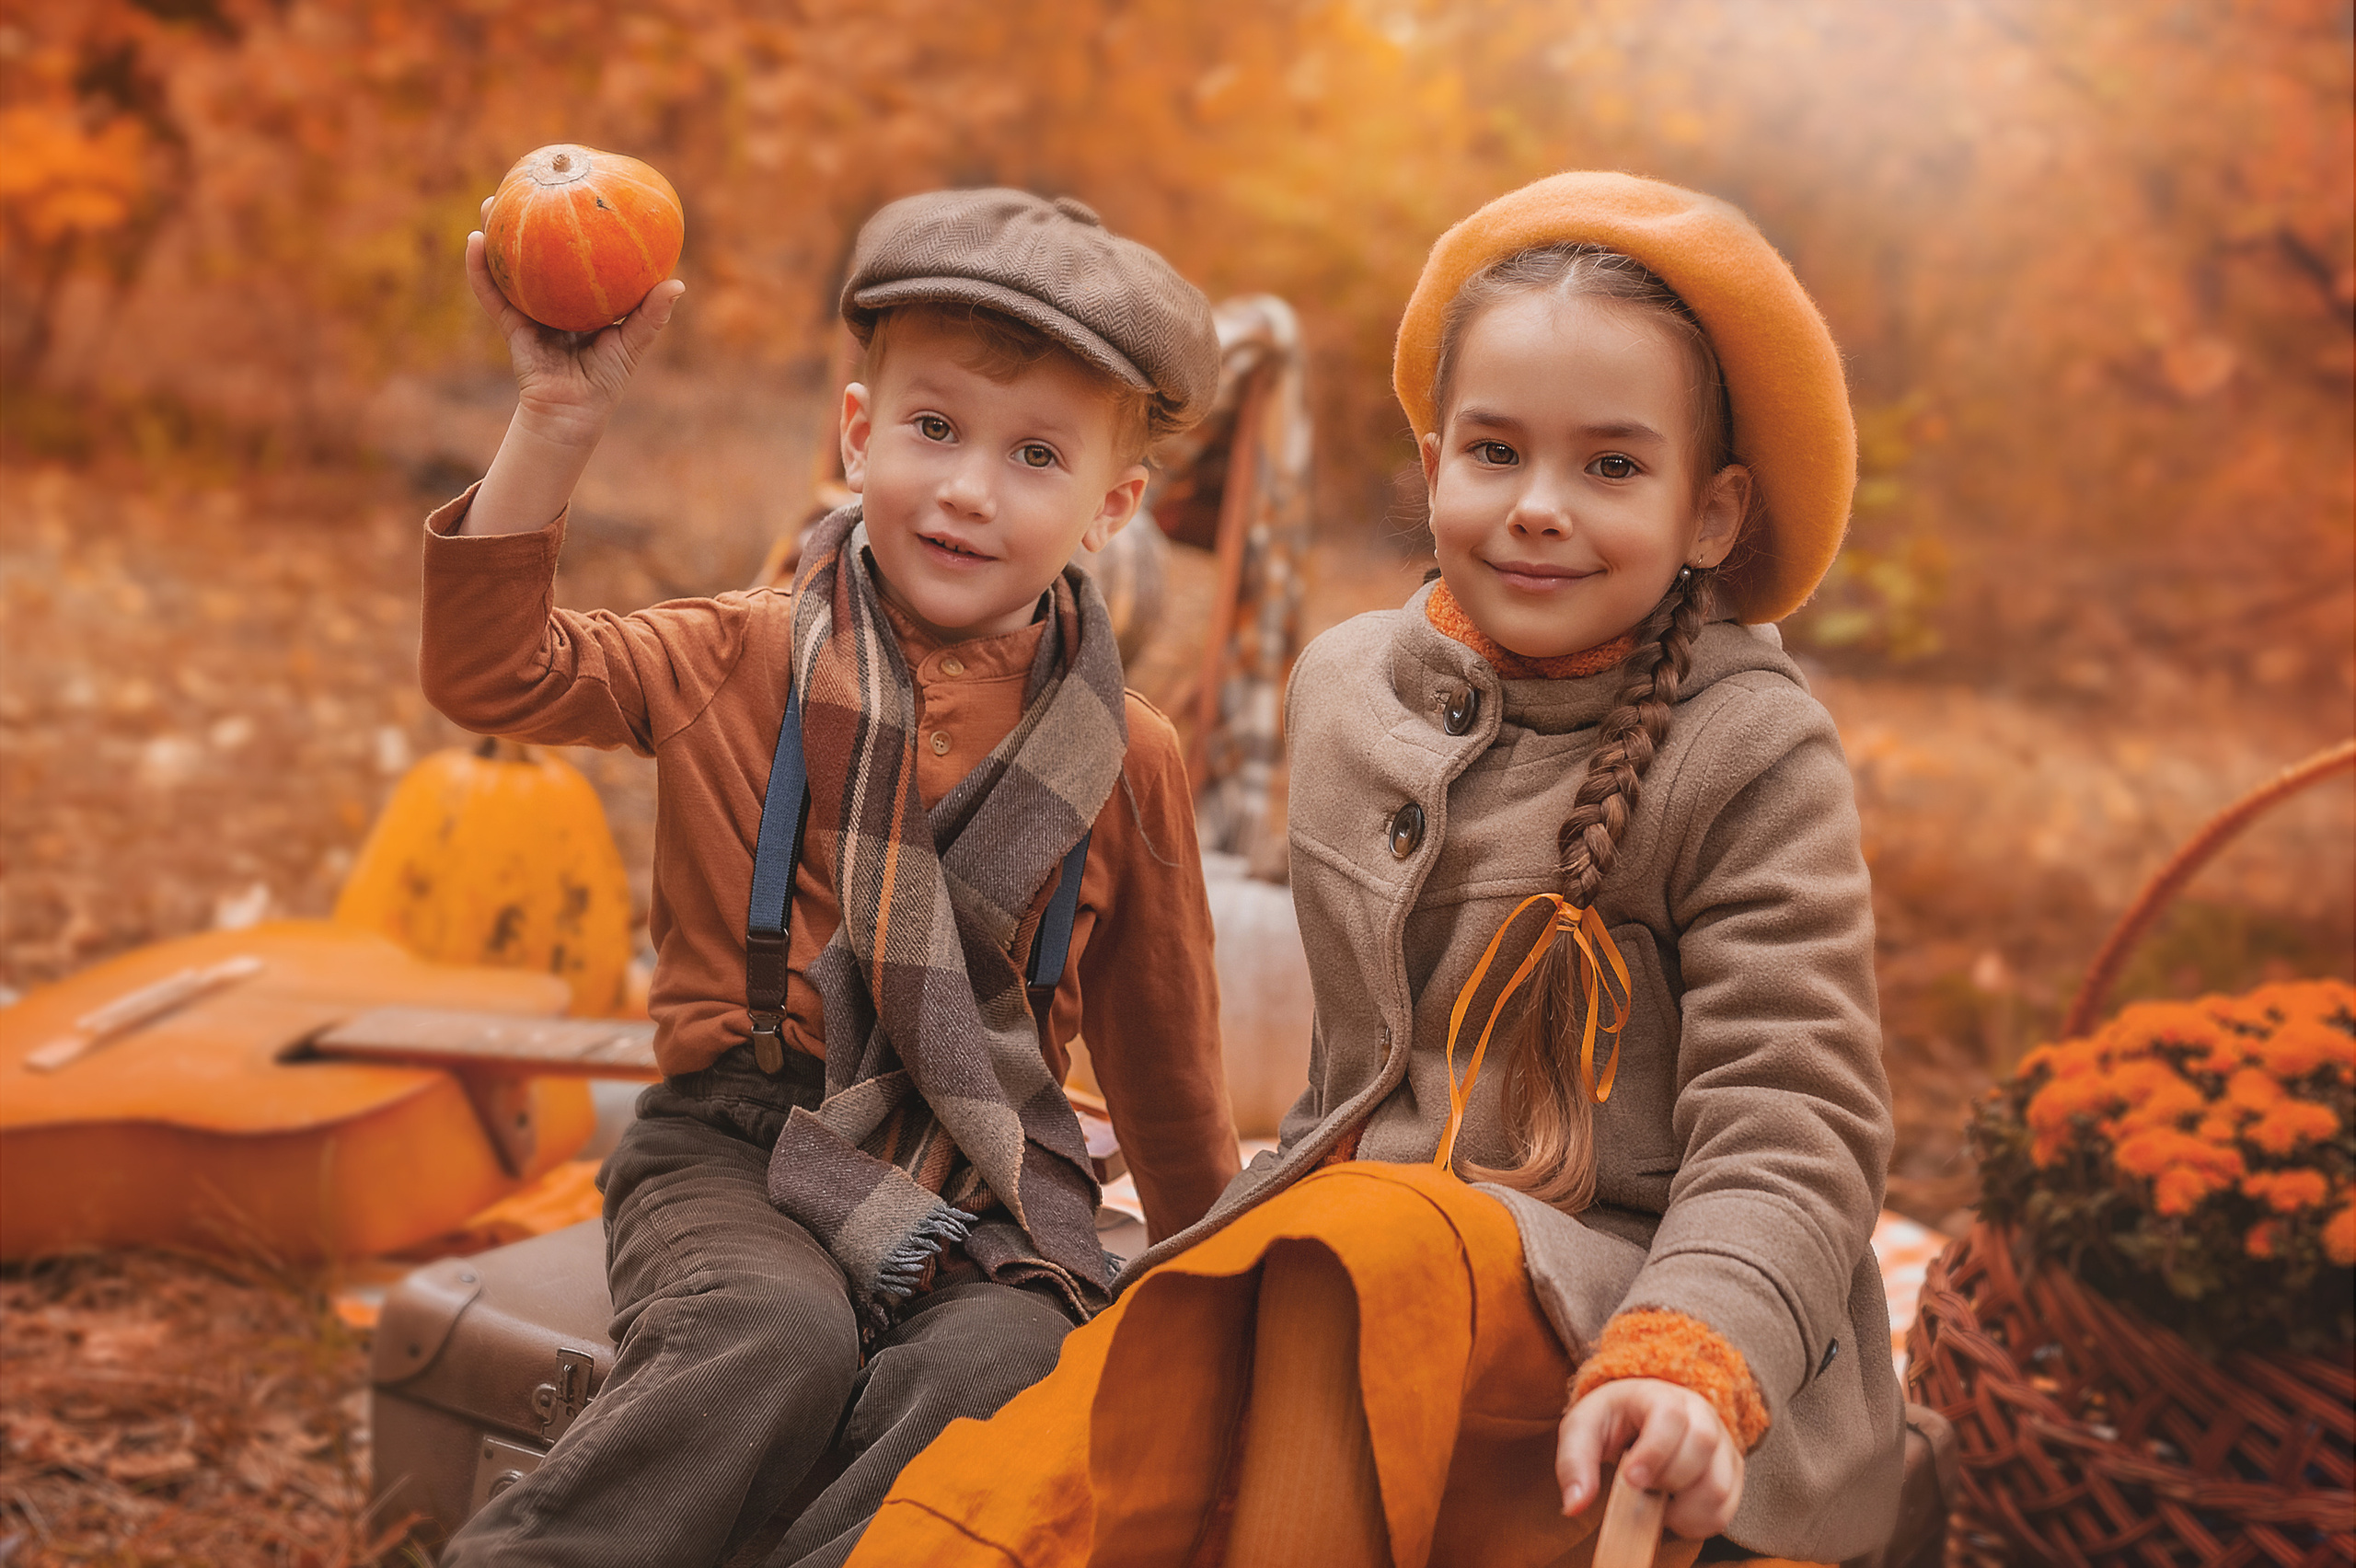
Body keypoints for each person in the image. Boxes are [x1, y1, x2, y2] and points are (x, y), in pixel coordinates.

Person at [846, 171, 1901, 1567]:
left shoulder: (1751, 753)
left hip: (1629, 1299)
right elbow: (1350, 1079)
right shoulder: (1350, 688)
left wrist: (1695, 1345)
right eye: (1494, 451)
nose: (1538, 508)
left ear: (1712, 514)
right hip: (1346, 1266)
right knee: (1091, 1430)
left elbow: (1794, 1116)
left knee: (1351, 1251)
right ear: (1431, 464)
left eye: (1612, 467)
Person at [422, 188, 1241, 1568]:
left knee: (1010, 1367)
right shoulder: (731, 657)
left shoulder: (1127, 760)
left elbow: (1164, 1068)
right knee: (769, 1336)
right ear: (859, 433)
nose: (970, 489)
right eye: (933, 429)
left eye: (1035, 454)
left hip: (980, 1181)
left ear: (1113, 508)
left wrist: (1214, 1286)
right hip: (736, 1139)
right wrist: (555, 425)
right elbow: (493, 672)